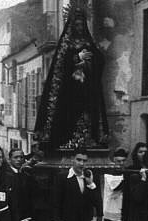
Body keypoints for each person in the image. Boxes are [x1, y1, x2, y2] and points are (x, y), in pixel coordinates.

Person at [34, 7, 108, 149]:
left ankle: (88, 138)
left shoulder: (89, 43)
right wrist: (77, 58)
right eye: (77, 25)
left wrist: (91, 61)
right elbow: (59, 64)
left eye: (82, 25)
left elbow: (99, 60)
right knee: (70, 114)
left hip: (87, 87)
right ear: (72, 26)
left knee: (87, 113)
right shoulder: (66, 44)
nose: (80, 28)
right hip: (69, 90)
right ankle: (68, 139)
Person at [100, 148, 131, 221]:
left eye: (123, 161)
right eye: (118, 161)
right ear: (114, 160)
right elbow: (115, 188)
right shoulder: (109, 174)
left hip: (125, 205)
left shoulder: (127, 172)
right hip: (113, 206)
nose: (121, 164)